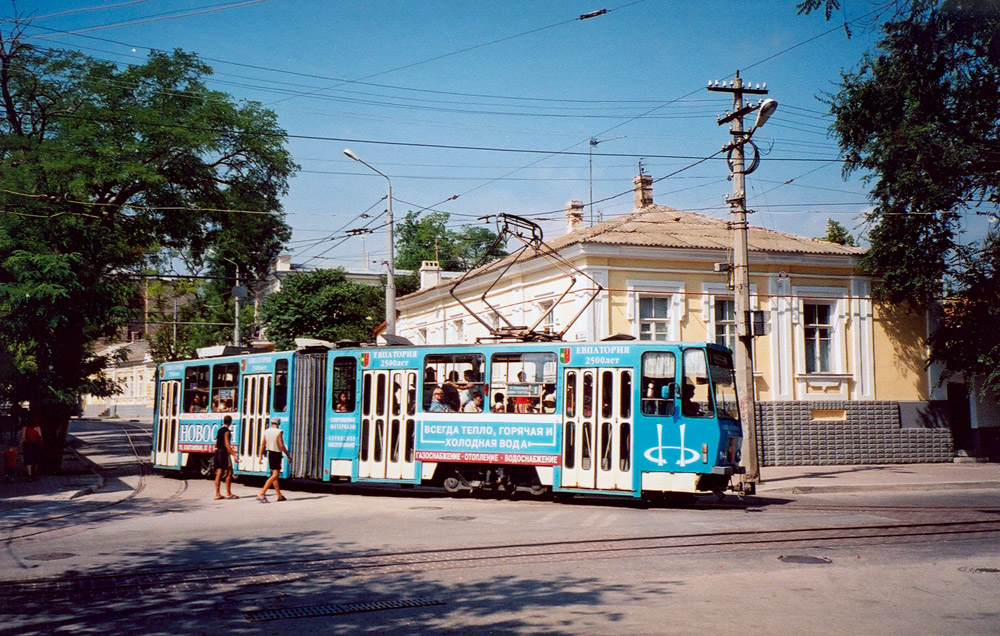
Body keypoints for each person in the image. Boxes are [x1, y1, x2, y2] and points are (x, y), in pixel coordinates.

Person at [257, 419, 291, 503]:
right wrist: (288, 456)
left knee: (274, 475)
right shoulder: (279, 432)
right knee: (275, 475)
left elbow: (262, 444)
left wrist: (260, 456)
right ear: (278, 423)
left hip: (270, 454)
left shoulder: (266, 431)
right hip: (276, 454)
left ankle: (279, 495)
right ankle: (262, 493)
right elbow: (281, 445)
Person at [213, 415, 238, 500]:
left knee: (219, 472)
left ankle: (217, 494)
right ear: (230, 422)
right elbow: (227, 444)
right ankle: (228, 493)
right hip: (224, 452)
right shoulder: (227, 431)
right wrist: (234, 455)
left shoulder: (220, 430)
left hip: (218, 452)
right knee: (229, 472)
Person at [20, 415, 42, 482]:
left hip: (28, 445)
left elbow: (23, 437)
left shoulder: (25, 427)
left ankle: (29, 475)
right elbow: (40, 436)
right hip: (36, 444)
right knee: (35, 460)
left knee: (28, 460)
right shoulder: (37, 427)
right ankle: (34, 475)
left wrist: (19, 444)